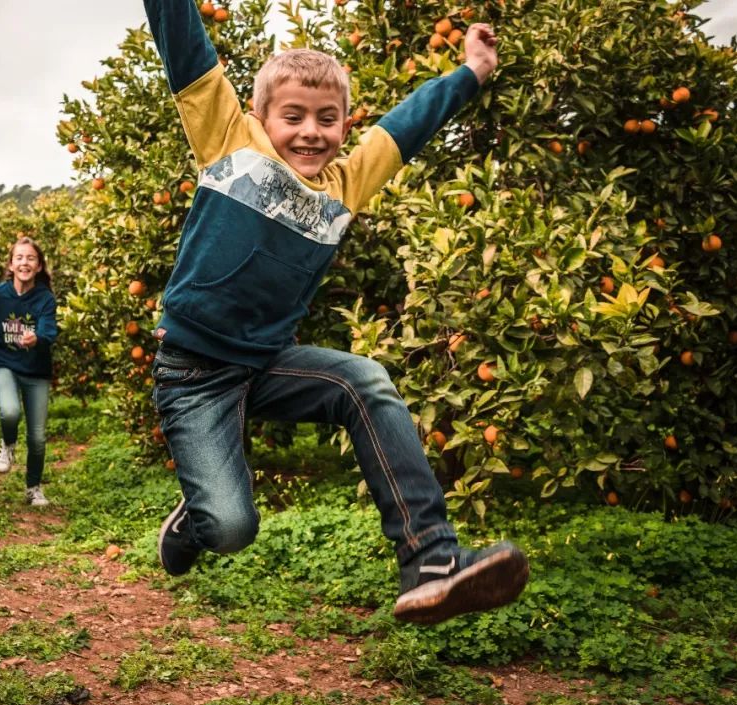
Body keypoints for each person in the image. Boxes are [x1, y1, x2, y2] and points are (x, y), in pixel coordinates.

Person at [143, 0, 528, 625]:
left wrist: (472, 73)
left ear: (346, 125)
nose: (310, 132)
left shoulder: (344, 188)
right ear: (261, 116)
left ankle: (431, 559)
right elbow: (184, 45)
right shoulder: (228, 140)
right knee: (233, 527)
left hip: (267, 365)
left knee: (364, 380)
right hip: (195, 374)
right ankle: (197, 522)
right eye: (292, 116)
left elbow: (407, 125)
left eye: (328, 119)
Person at [0, 236, 58, 507]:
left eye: (30, 258)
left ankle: (33, 489)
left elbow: (49, 330)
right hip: (4, 363)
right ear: (11, 264)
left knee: (37, 437)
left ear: (39, 266)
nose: (24, 262)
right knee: (10, 411)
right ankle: (8, 444)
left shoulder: (44, 298)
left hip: (36, 370)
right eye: (19, 258)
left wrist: (36, 338)